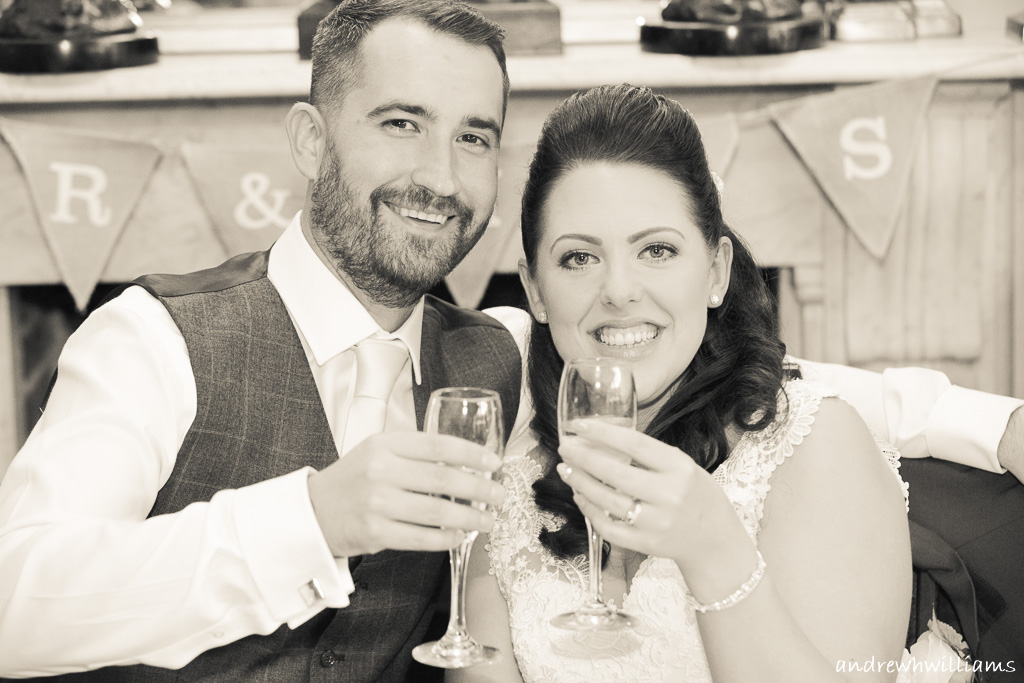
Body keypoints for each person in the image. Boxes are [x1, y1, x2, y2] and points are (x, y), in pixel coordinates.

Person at [0, 0, 516, 679]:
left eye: (473, 138)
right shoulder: (153, 338)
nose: (441, 179)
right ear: (310, 141)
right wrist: (312, 520)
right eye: (401, 124)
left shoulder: (502, 358)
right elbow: (14, 606)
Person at [457, 83, 927, 683]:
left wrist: (713, 549)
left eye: (656, 250)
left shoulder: (816, 448)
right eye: (579, 257)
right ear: (535, 291)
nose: (619, 291)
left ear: (716, 272)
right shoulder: (508, 484)